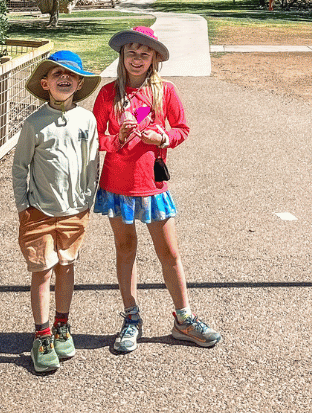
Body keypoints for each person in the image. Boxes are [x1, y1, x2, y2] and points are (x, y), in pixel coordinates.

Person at [93, 25, 221, 352]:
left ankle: (184, 319)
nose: (137, 59)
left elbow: (182, 129)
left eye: (144, 53)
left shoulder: (165, 92)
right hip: (117, 184)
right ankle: (131, 318)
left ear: (154, 59)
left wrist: (162, 137)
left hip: (153, 184)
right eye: (131, 52)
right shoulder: (108, 94)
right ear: (122, 55)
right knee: (126, 250)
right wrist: (117, 139)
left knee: (169, 252)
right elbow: (96, 138)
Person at [12, 50, 101, 374]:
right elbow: (20, 167)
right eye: (57, 74)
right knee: (43, 271)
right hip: (39, 211)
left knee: (66, 267)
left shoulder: (87, 120)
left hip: (75, 211)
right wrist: (24, 206)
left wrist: (88, 198)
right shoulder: (34, 124)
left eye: (71, 75)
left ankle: (62, 325)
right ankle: (43, 334)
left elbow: (93, 162)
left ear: (78, 84)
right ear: (46, 83)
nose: (65, 78)